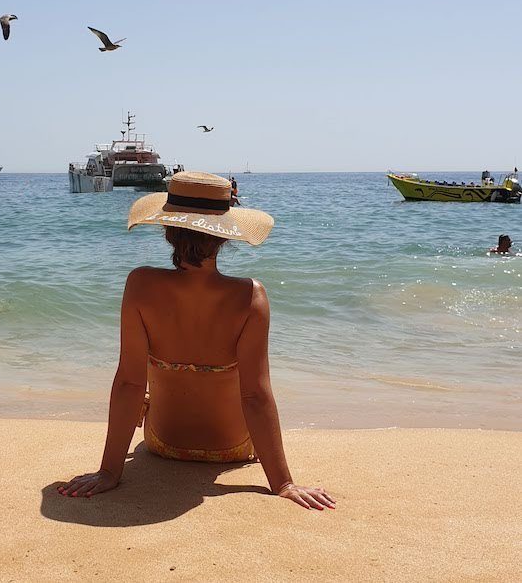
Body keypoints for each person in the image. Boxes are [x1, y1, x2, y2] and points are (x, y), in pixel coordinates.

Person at [58, 171, 335, 511]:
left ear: (167, 230)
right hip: (231, 449)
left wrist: (109, 471)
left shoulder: (141, 285)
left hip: (163, 443)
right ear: (225, 236)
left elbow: (129, 383)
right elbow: (255, 396)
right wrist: (283, 483)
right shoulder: (251, 296)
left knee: (143, 389)